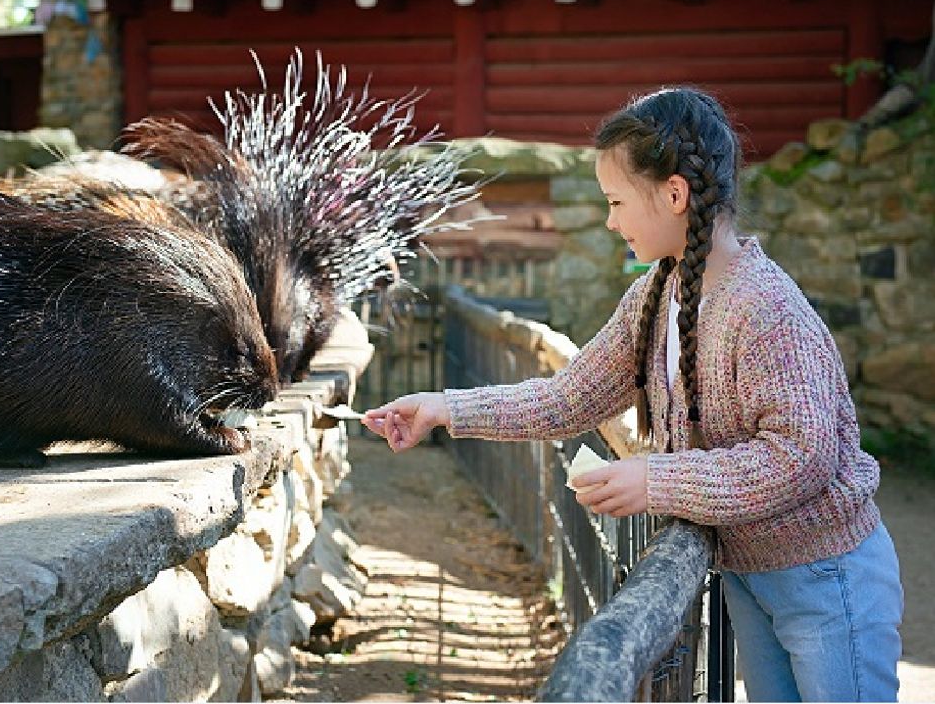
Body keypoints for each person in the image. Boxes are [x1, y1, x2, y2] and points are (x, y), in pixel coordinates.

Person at [363, 87, 904, 702]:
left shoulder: (766, 309)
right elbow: (568, 397)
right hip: (752, 576)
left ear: (674, 195)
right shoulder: (657, 294)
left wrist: (657, 479)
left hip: (827, 579)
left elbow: (800, 456)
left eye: (617, 201)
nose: (610, 220)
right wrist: (444, 408)